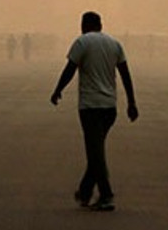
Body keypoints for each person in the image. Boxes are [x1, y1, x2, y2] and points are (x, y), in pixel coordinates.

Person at [50, 11, 138, 212]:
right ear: (100, 25)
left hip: (90, 106)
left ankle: (106, 195)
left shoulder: (82, 42)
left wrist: (57, 90)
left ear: (84, 25)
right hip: (109, 108)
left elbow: (70, 69)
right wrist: (131, 102)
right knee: (96, 150)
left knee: (95, 152)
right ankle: (85, 191)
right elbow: (125, 75)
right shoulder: (115, 44)